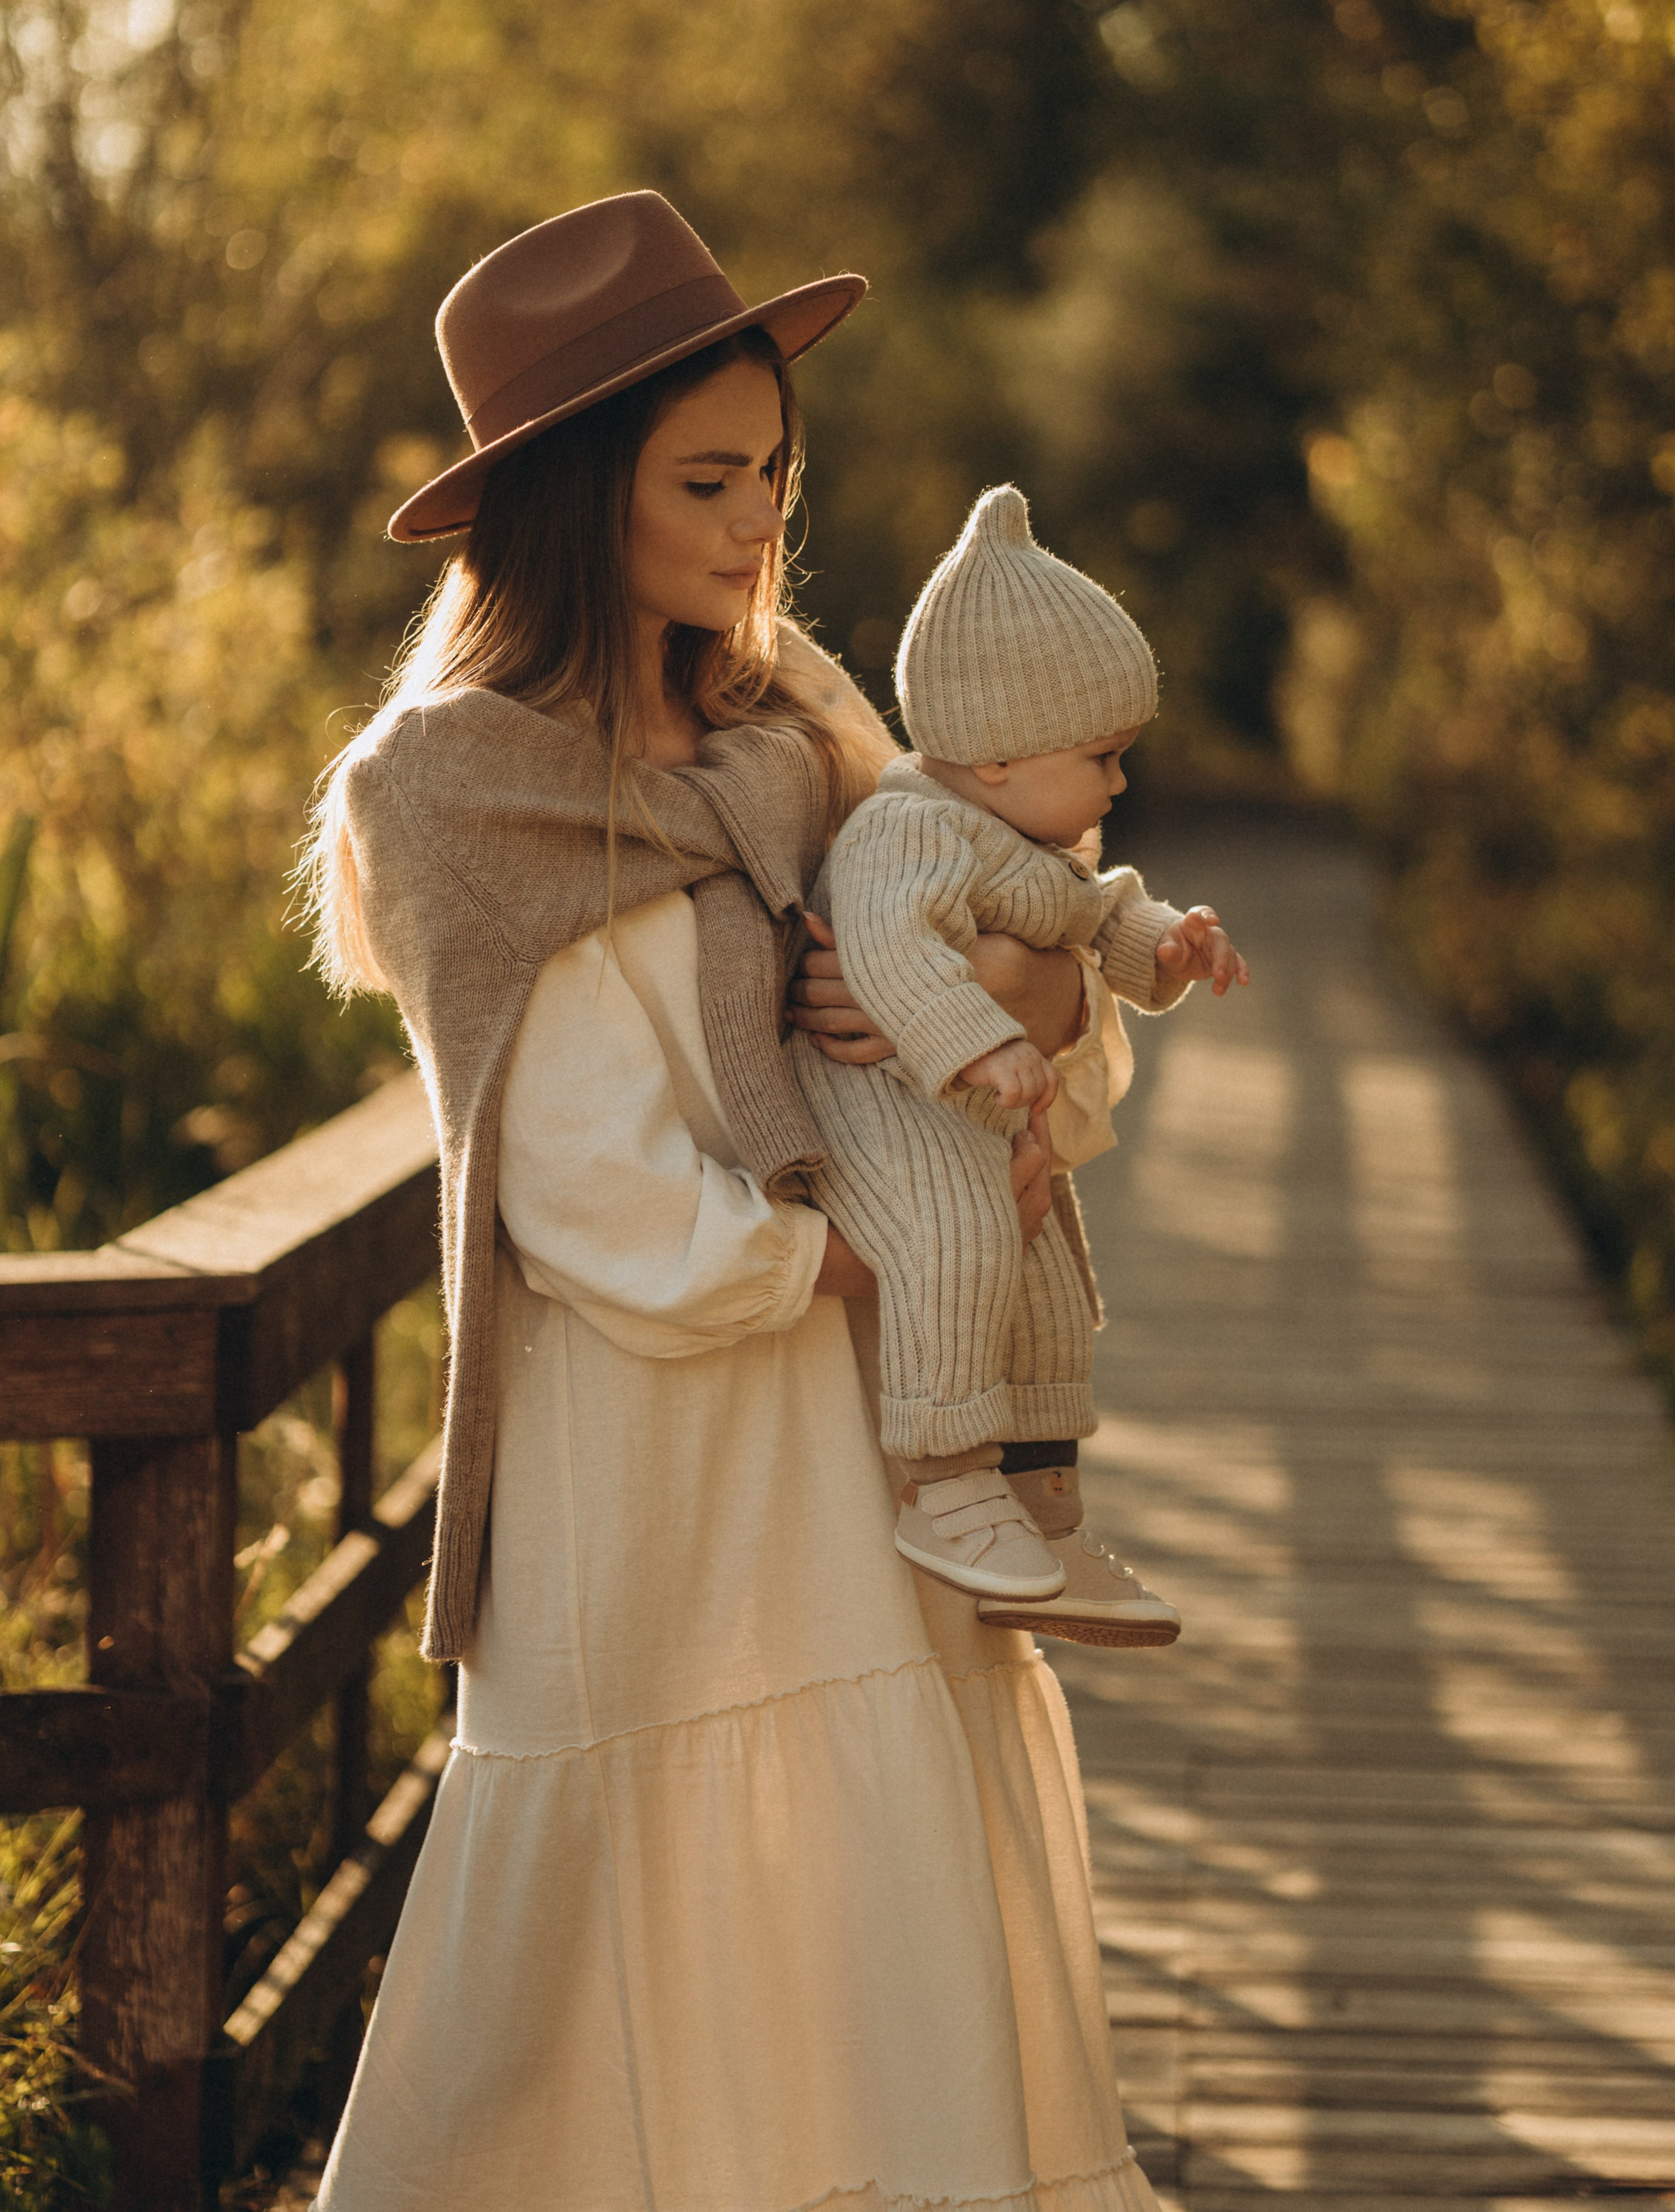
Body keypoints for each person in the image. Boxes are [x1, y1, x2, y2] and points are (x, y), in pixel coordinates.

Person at [302, 189, 1160, 2210]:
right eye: (706, 477)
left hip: (865, 1469)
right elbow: (578, 1190)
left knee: (878, 1997)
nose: (760, 517)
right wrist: (869, 1245)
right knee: (627, 2028)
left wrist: (1001, 999)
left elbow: (1044, 1021)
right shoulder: (446, 790)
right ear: (577, 492)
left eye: (775, 469)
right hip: (659, 1479)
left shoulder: (804, 722)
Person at [791, 482, 1248, 1645]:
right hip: (877, 1108)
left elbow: (1094, 919)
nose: (1120, 782)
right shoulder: (908, 831)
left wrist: (1171, 949)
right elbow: (891, 950)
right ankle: (943, 1478)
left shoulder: (1026, 840)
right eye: (1104, 755)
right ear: (996, 754)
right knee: (958, 1234)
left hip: (963, 1102)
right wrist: (985, 1040)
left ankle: (1041, 1500)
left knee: (1041, 1263)